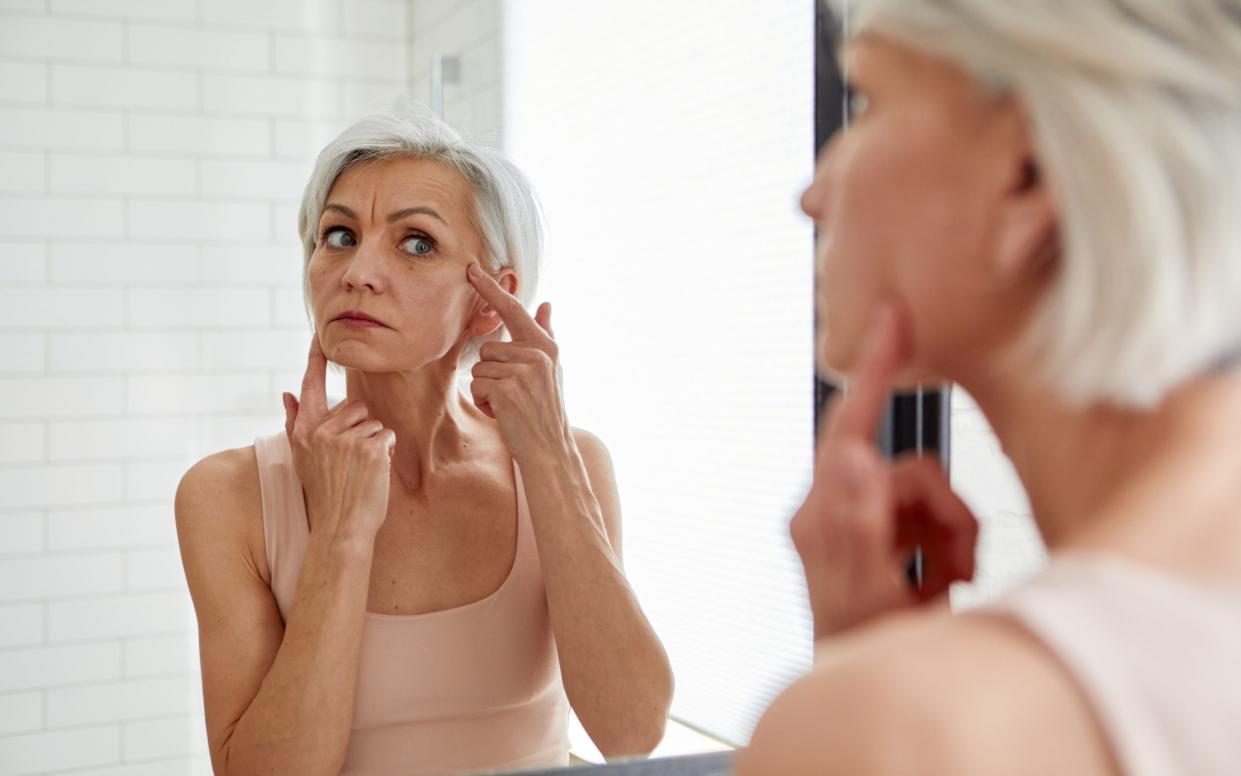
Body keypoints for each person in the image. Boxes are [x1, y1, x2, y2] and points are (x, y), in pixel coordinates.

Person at [738, 1, 1241, 774]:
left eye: (868, 100)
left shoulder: (902, 729)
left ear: (1027, 171)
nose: (811, 196)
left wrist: (865, 685)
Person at [175, 111, 673, 776]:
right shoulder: (228, 495)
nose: (357, 271)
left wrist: (549, 458)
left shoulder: (571, 461)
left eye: (416, 244)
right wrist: (341, 537)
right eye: (339, 235)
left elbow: (631, 732)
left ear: (491, 300)